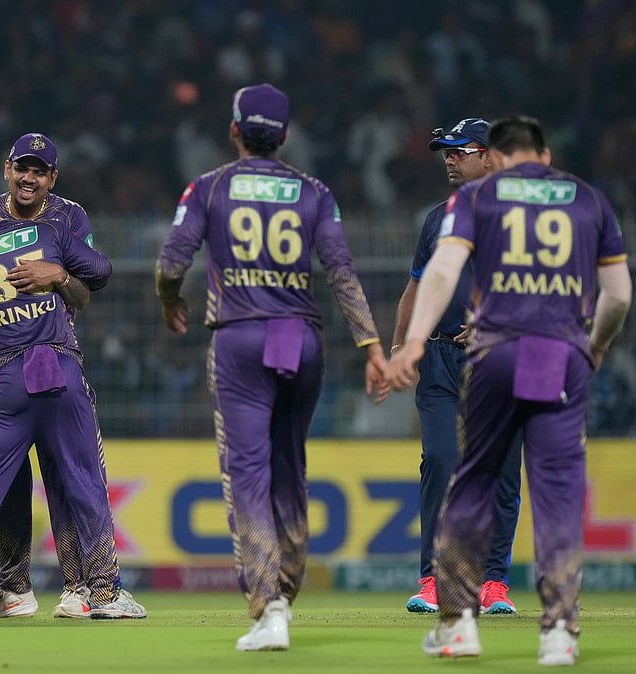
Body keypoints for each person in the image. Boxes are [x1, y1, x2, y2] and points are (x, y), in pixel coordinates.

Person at [383, 116, 631, 665]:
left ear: (495, 155)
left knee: (475, 480)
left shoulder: (477, 202)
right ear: (545, 156)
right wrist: (594, 347)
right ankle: (559, 630)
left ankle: (460, 621)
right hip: (555, 356)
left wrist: (413, 341)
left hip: (494, 355)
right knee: (556, 488)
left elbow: (442, 274)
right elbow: (617, 295)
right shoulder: (585, 201)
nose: (451, 160)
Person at [155, 83, 385, 651]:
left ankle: (269, 604)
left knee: (247, 473)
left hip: (239, 339)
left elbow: (171, 263)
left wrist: (169, 300)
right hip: (300, 339)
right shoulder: (315, 192)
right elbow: (341, 272)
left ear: (234, 130)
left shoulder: (208, 187)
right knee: (289, 466)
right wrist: (372, 345)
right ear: (283, 137)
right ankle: (288, 586)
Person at [0, 162, 146, 620]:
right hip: (58, 372)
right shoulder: (49, 231)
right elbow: (101, 270)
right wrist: (59, 273)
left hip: (1, 382)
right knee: (84, 481)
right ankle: (104, 594)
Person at [0, 132, 95, 620]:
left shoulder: (69, 217)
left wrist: (59, 276)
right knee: (6, 484)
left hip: (53, 363)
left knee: (64, 475)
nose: (28, 178)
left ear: (52, 178)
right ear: (8, 169)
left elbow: (84, 294)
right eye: (22, 168)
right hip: (0, 366)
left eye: (39, 171)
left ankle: (78, 587)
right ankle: (14, 588)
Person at [390, 118, 522, 616]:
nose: (449, 158)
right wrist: (399, 346)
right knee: (441, 462)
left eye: (460, 150)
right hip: (441, 359)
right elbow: (414, 287)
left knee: (502, 473)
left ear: (489, 157)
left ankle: (494, 584)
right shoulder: (436, 219)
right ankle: (433, 579)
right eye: (445, 151)